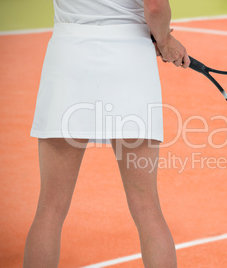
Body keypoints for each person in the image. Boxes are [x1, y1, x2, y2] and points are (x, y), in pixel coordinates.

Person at [24, 0, 189, 267]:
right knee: (147, 208)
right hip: (129, 58)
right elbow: (155, 6)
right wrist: (165, 39)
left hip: (68, 55)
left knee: (49, 209)